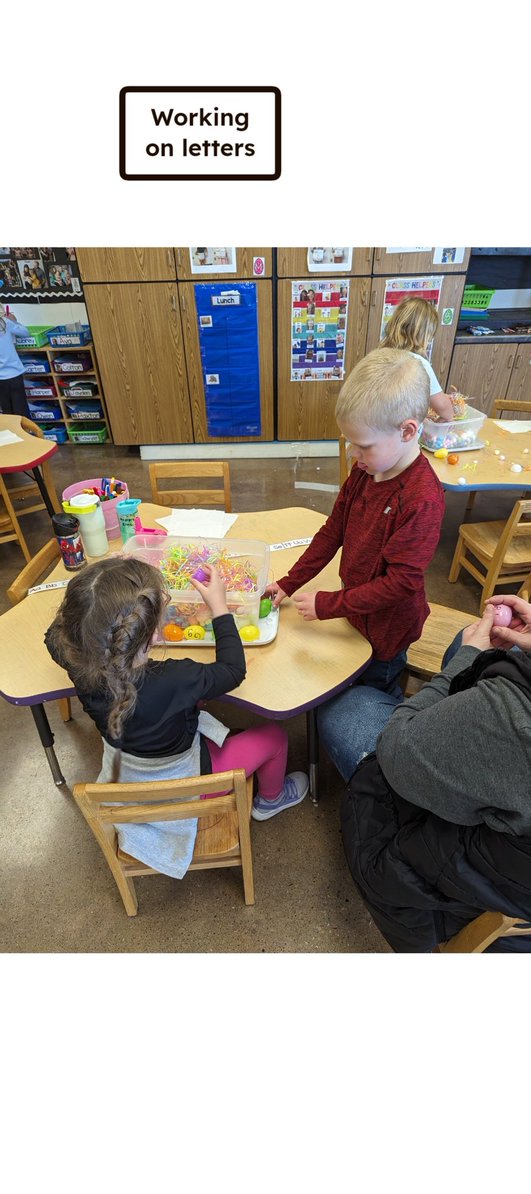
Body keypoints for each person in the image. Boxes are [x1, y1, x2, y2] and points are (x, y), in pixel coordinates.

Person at [44, 559, 309, 875]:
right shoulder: (178, 677)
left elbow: (53, 636)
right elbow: (234, 670)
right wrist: (219, 607)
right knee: (275, 737)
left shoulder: (79, 666)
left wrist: (90, 603)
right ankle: (270, 800)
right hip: (190, 784)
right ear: (152, 636)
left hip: (126, 776)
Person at [265, 348, 445, 777]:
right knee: (343, 674)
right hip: (355, 613)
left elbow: (400, 585)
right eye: (350, 441)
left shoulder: (421, 498)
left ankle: (375, 760)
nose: (354, 453)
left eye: (362, 444)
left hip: (387, 629)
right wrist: (290, 582)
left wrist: (329, 604)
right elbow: (333, 531)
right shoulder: (366, 471)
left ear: (407, 431)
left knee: (370, 686)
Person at [341, 599, 531, 952]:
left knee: (346, 708)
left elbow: (394, 752)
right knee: (463, 645)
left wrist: (468, 658)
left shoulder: (512, 717)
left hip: (437, 878)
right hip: (510, 865)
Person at [380, 295, 455, 421]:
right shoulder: (417, 363)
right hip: (396, 433)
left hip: (374, 427)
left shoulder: (380, 354)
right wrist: (449, 417)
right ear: (424, 334)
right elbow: (442, 406)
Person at [0, 304, 30, 416]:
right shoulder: (5, 322)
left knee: (7, 411)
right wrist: (14, 321)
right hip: (14, 373)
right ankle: (24, 432)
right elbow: (25, 332)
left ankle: (12, 433)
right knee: (21, 410)